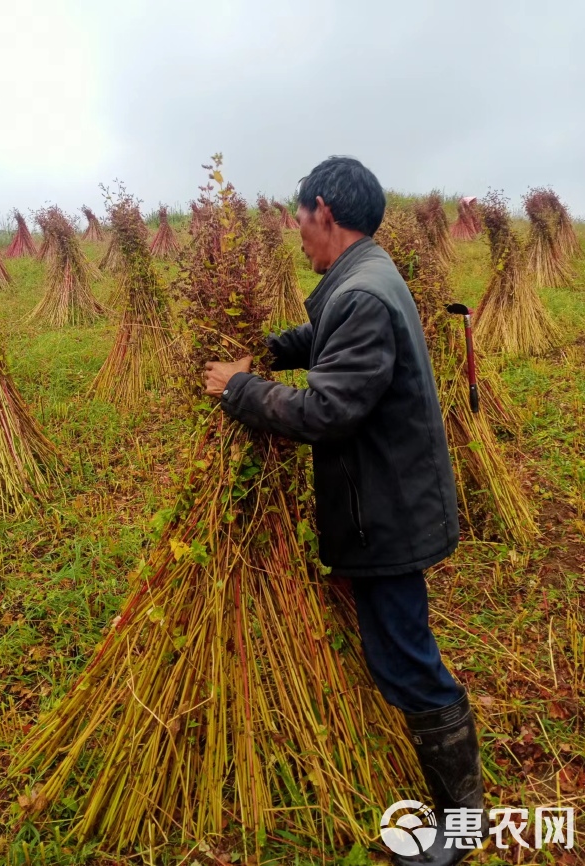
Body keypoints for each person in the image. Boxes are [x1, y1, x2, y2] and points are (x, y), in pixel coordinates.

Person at [203, 156, 484, 866]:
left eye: (300, 217)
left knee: (409, 661)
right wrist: (266, 349)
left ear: (323, 209)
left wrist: (240, 391)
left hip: (386, 513)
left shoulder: (362, 292)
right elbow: (328, 342)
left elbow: (329, 409)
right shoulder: (365, 276)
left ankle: (463, 827)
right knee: (398, 650)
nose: (297, 232)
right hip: (388, 500)